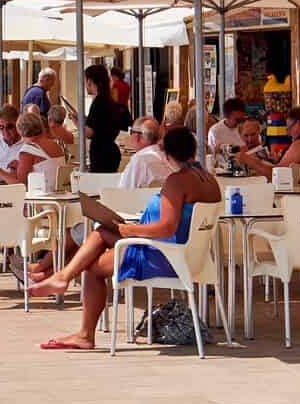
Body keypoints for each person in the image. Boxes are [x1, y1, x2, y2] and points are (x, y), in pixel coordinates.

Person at [24, 126, 220, 350]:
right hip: (191, 255)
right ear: (192, 151)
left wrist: (132, 231)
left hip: (165, 256)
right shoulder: (209, 180)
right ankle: (63, 277)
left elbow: (167, 227)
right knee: (103, 232)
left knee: (93, 268)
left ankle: (83, 328)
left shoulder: (178, 181)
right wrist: (130, 229)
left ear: (166, 155)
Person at [236, 108, 300, 178]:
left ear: (299, 124)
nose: (288, 134)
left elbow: (276, 174)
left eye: (289, 128)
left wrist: (247, 159)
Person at [81, 64, 129, 174]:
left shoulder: (98, 102)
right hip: (111, 151)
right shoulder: (108, 100)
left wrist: (76, 121)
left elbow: (89, 132)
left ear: (89, 81)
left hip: (101, 153)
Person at [0, 110, 66, 188]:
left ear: (20, 131)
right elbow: (46, 167)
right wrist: (20, 165)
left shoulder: (28, 150)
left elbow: (21, 186)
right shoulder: (56, 145)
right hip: (60, 193)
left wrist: (0, 173)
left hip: (40, 197)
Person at [118, 118, 172, 189]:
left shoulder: (139, 160)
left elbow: (124, 191)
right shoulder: (167, 157)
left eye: (131, 132)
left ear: (137, 136)